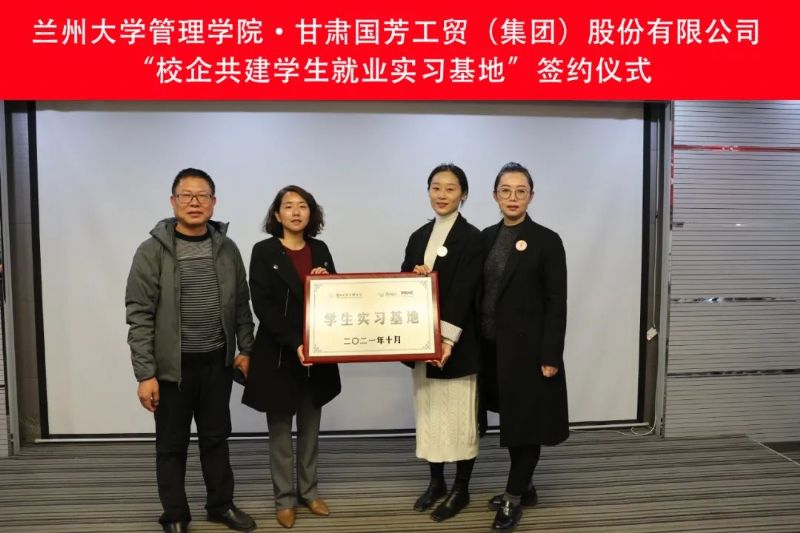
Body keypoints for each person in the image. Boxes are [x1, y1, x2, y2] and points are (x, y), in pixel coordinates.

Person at [125, 168, 257, 533]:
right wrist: (145, 374)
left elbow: (241, 304)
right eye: (186, 195)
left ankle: (220, 505)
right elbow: (139, 315)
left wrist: (246, 349)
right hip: (172, 370)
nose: (194, 202)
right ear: (173, 202)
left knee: (216, 438)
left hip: (217, 363)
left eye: (203, 196)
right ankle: (175, 514)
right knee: (171, 444)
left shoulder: (227, 248)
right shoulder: (151, 251)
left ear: (214, 203)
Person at [242, 185, 341, 529]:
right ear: (277, 214)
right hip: (279, 353)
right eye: (288, 206)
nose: (296, 212)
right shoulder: (263, 251)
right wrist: (295, 343)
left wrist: (327, 281)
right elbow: (263, 306)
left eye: (303, 206)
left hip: (318, 352)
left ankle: (309, 492)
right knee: (281, 431)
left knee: (311, 429)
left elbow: (336, 299)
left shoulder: (320, 249)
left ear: (312, 213)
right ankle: (284, 499)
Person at [480, 162, 569, 532]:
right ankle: (526, 487)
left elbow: (556, 302)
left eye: (521, 191)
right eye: (506, 190)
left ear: (531, 196)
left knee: (526, 424)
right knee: (514, 421)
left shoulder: (547, 240)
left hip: (530, 353)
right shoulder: (485, 237)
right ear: (495, 195)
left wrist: (551, 354)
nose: (513, 197)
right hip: (492, 351)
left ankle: (513, 497)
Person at [401, 164, 484, 522]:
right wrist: (413, 276)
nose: (442, 194)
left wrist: (446, 339)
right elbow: (401, 284)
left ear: (463, 194)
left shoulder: (472, 237)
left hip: (457, 344)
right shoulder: (419, 235)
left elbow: (466, 291)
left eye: (450, 188)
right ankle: (436, 482)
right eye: (436, 187)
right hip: (423, 342)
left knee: (460, 418)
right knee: (430, 416)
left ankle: (461, 489)